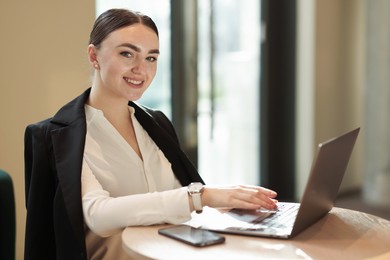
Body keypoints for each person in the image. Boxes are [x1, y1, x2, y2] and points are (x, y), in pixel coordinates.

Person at [24, 8, 278, 260]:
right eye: (127, 54)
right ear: (94, 56)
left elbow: (181, 204)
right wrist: (202, 196)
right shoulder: (59, 136)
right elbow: (98, 215)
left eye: (151, 58)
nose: (141, 69)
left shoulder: (156, 123)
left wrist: (229, 204)